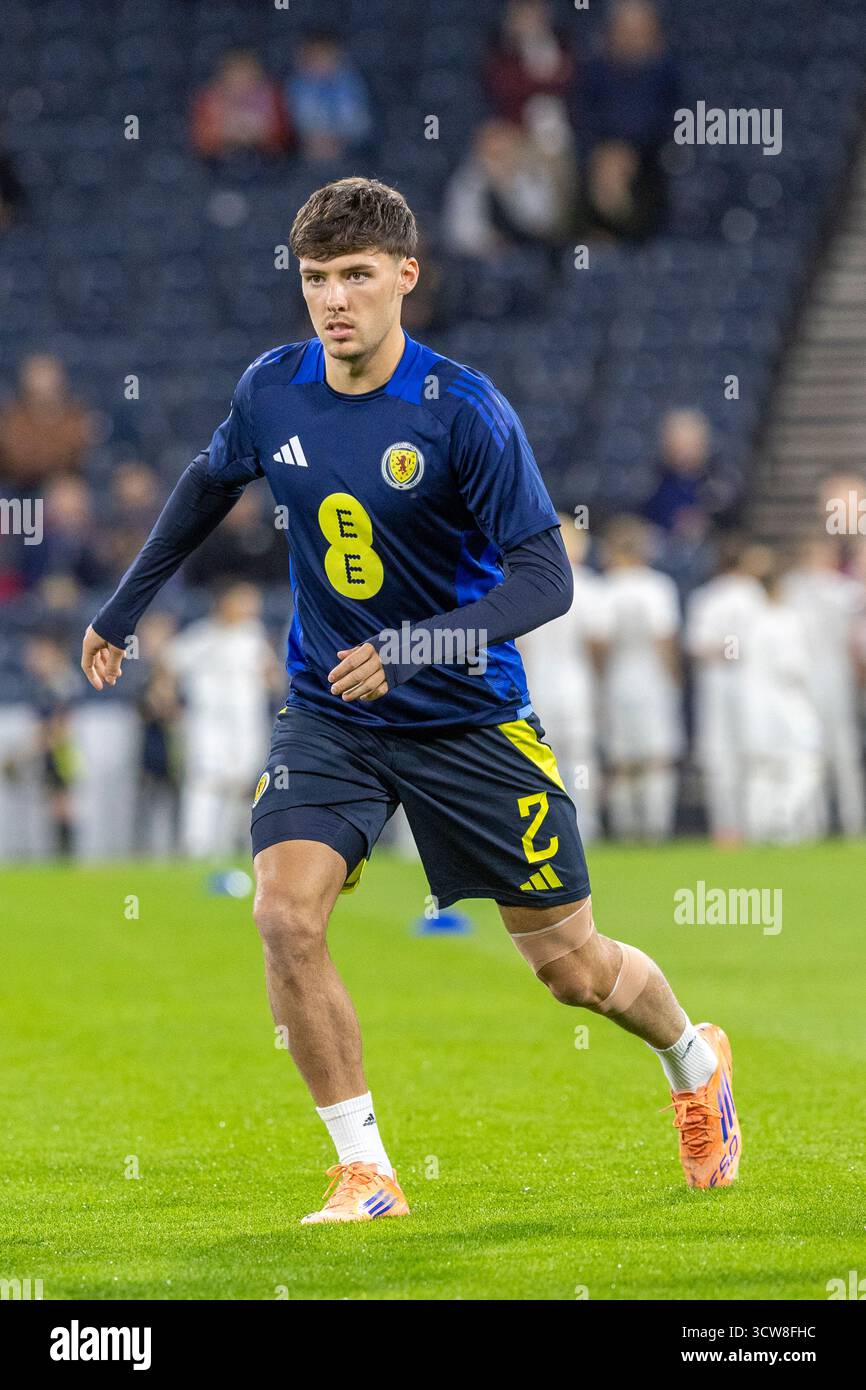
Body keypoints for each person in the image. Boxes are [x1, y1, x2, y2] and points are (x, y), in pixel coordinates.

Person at [81, 177, 741, 1223]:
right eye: (314, 280)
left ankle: (689, 1057)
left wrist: (415, 647)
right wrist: (121, 611)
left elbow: (544, 578)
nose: (333, 299)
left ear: (404, 276)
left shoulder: (461, 409)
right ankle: (364, 1169)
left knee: (570, 968)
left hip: (467, 718)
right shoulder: (272, 389)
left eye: (354, 276)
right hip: (331, 710)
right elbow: (208, 485)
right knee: (284, 913)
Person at [162, 583, 280, 859]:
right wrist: (169, 705)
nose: (252, 608)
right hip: (207, 723)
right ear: (226, 603)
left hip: (246, 723)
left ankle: (226, 847)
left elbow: (271, 676)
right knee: (204, 781)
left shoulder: (253, 637)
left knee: (238, 782)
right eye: (245, 601)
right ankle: (196, 846)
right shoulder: (201, 636)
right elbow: (168, 665)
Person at [518, 518, 606, 841]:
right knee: (580, 758)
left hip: (536, 683)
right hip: (576, 683)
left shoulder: (527, 584)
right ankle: (585, 827)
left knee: (539, 758)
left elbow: (520, 644)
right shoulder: (589, 586)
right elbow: (597, 642)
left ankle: (545, 831)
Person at [598, 515, 683, 841]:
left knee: (622, 761)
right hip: (653, 679)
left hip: (619, 678)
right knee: (657, 757)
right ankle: (657, 827)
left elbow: (600, 642)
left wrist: (602, 678)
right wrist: (674, 679)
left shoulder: (607, 588)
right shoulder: (658, 586)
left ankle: (625, 828)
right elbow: (665, 639)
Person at [685, 538, 769, 845]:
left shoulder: (707, 596)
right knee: (748, 753)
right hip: (748, 682)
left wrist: (723, 652)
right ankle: (753, 824)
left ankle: (726, 829)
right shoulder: (753, 594)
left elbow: (697, 646)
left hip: (719, 681)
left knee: (719, 756)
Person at [781, 539, 865, 837]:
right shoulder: (833, 590)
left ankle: (843, 821)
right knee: (817, 752)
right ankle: (823, 821)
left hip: (823, 676)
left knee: (832, 751)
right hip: (814, 676)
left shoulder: (838, 590)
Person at [0, 354, 95, 489]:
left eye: (48, 377)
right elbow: (15, 461)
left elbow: (80, 456)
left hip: (65, 487)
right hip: (19, 488)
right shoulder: (11, 418)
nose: (43, 386)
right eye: (37, 377)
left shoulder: (77, 416)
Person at [284, 32, 373, 164]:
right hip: (305, 147)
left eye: (326, 57)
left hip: (345, 147)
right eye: (315, 58)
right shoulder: (296, 86)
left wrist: (338, 138)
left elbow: (359, 121)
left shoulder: (349, 84)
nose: (321, 63)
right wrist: (312, 137)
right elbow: (291, 119)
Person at [190, 50, 293, 162]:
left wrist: (260, 135)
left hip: (264, 157)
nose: (242, 77)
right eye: (236, 72)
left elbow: (282, 134)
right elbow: (203, 139)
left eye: (247, 72)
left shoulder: (270, 95)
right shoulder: (211, 98)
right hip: (221, 159)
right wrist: (227, 136)